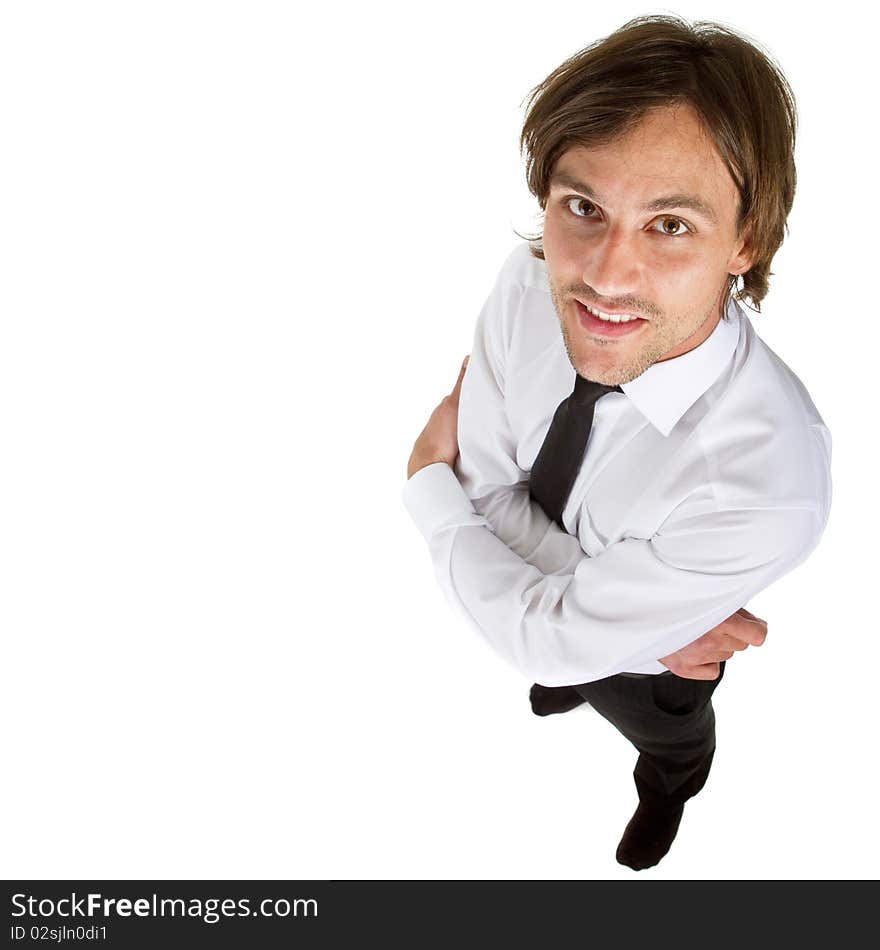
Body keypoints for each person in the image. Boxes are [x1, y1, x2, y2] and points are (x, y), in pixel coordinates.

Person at [401, 14, 831, 871]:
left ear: (747, 240)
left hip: (658, 675)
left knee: (668, 731)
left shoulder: (769, 483)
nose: (603, 275)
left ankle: (671, 786)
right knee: (566, 664)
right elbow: (490, 497)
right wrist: (623, 626)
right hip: (647, 637)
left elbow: (478, 508)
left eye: (671, 225)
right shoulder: (525, 284)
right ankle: (577, 681)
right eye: (583, 206)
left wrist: (424, 486)